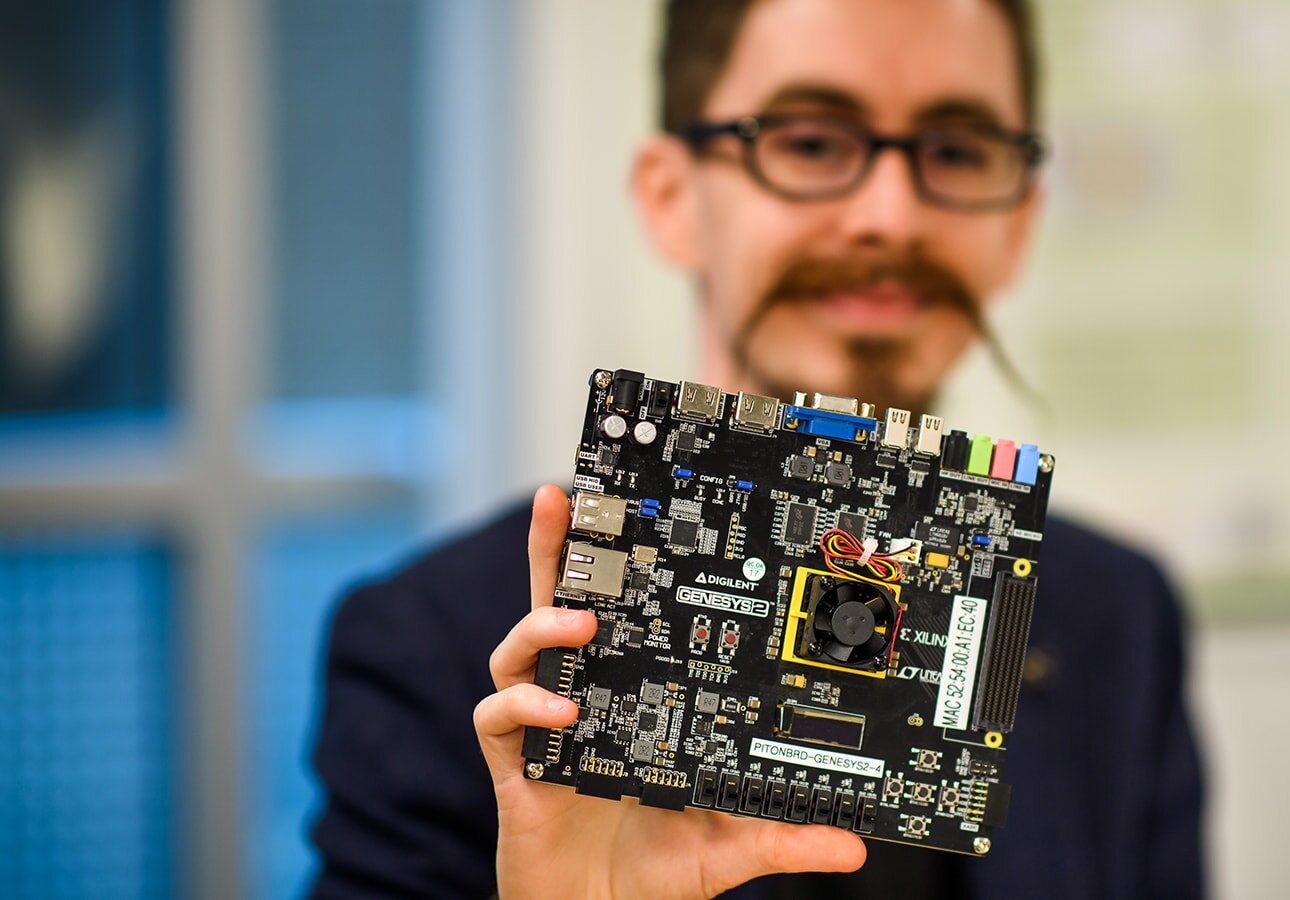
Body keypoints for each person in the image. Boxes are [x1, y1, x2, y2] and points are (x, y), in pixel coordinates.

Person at [309, 1, 1206, 897]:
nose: (890, 216)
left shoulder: (1118, 624)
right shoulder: (435, 651)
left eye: (958, 152)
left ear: (1017, 222)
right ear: (672, 197)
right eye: (812, 143)